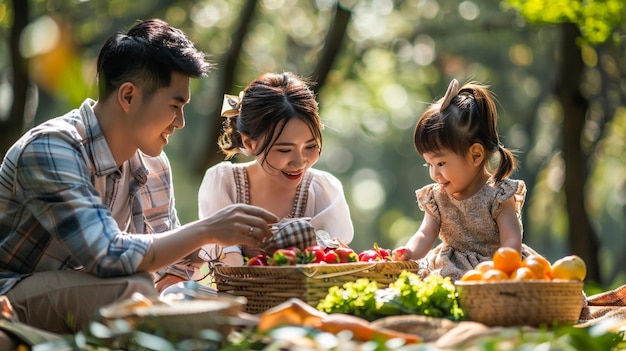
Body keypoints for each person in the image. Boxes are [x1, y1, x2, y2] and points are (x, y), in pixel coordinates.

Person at [0, 19, 278, 334]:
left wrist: (238, 241)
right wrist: (208, 230)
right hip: (10, 293)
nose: (181, 122)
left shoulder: (152, 164)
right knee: (133, 290)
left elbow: (169, 262)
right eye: (175, 105)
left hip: (88, 290)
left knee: (170, 293)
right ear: (129, 96)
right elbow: (107, 255)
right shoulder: (53, 148)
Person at [198, 72, 354, 266]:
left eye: (310, 146)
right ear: (249, 143)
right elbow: (229, 264)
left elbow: (330, 261)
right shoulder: (224, 183)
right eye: (284, 150)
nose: (299, 163)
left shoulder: (322, 189)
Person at [396, 79, 539, 281]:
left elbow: (511, 240)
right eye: (428, 164)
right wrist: (409, 252)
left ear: (476, 156)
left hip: (495, 266)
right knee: (437, 283)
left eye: (441, 163)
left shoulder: (499, 195)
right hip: (451, 266)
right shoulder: (437, 198)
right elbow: (424, 234)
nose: (434, 174)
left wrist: (502, 271)